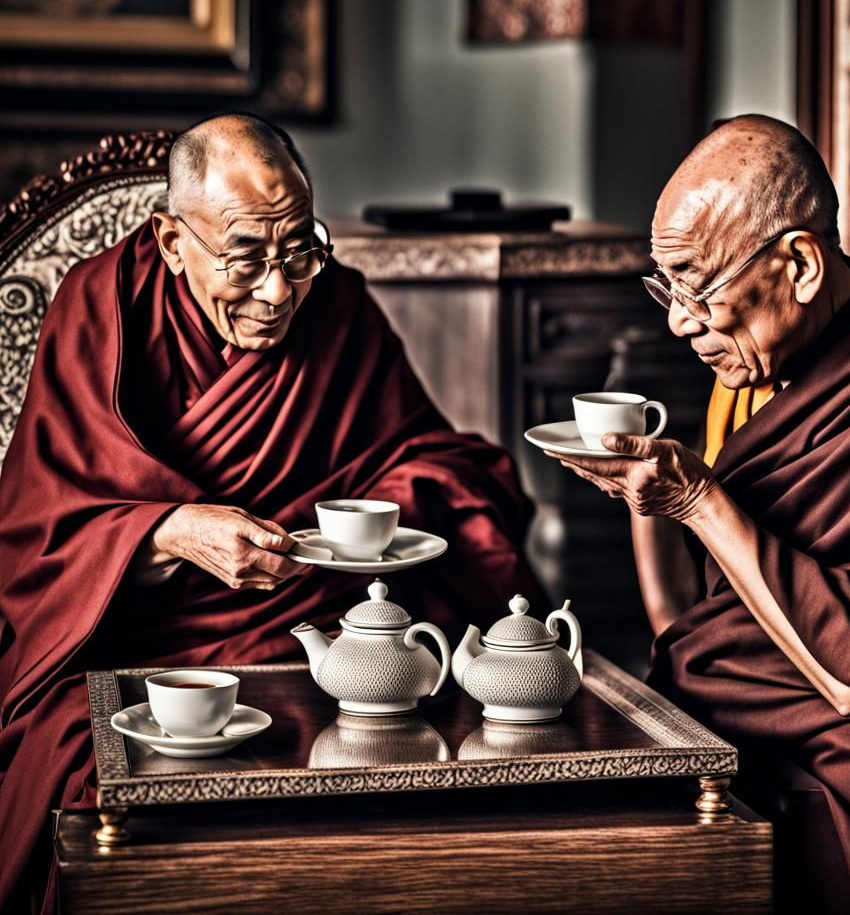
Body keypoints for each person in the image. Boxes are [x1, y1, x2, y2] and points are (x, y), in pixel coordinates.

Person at [0, 113, 542, 912]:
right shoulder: (101, 309)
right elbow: (36, 526)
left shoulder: (339, 306)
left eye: (300, 249)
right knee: (86, 781)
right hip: (128, 643)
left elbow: (437, 458)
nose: (279, 289)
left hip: (315, 622)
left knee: (436, 773)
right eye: (246, 256)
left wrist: (378, 517)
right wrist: (167, 530)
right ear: (172, 239)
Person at [554, 115, 850, 913]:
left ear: (801, 264)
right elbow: (686, 623)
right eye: (665, 288)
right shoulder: (747, 368)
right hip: (757, 679)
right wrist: (646, 496)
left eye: (698, 287)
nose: (677, 319)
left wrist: (699, 500)